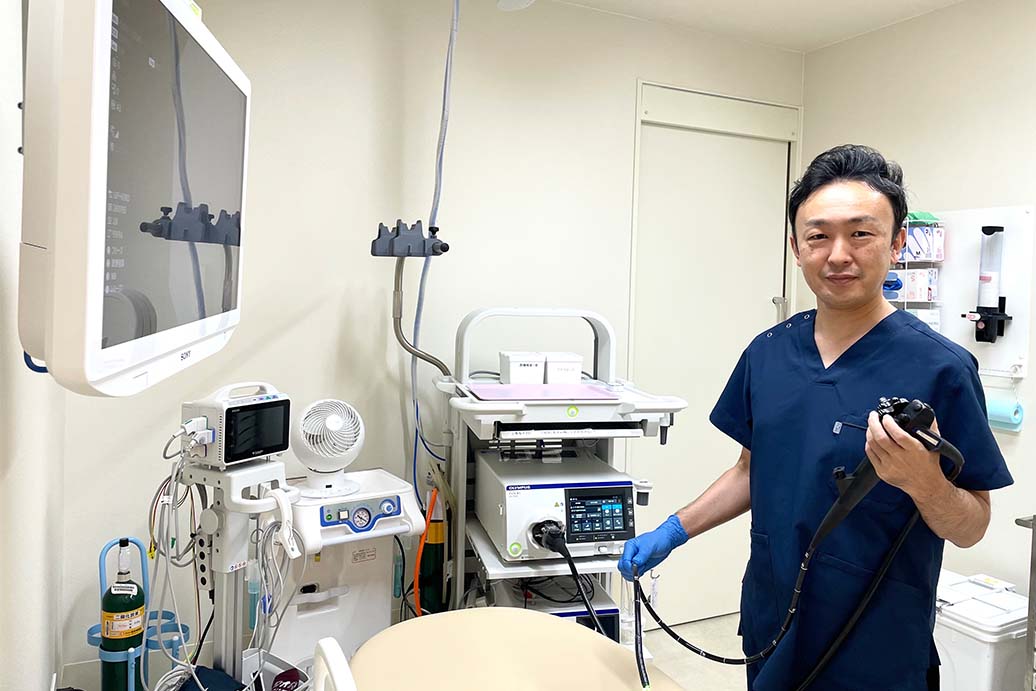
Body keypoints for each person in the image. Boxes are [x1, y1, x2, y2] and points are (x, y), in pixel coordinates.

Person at [618, 144, 1014, 690]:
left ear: (897, 242)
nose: (838, 255)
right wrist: (673, 530)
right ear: (796, 247)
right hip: (773, 617)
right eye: (818, 236)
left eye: (861, 233)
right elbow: (751, 470)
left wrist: (924, 483)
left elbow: (972, 526)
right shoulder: (768, 352)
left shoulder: (941, 368)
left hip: (877, 636)